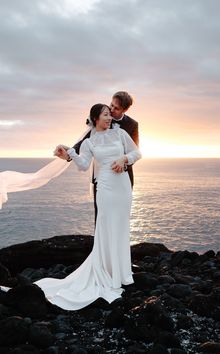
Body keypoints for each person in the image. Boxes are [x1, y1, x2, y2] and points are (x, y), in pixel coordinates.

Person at [31, 103, 141, 310]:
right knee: (106, 226)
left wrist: (124, 158)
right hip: (106, 187)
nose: (110, 118)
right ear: (95, 118)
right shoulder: (89, 142)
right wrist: (70, 152)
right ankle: (107, 272)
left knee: (121, 226)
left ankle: (122, 273)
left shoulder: (120, 134)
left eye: (110, 115)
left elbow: (137, 153)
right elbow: (83, 165)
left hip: (123, 186)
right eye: (106, 115)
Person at [55, 91, 139, 223]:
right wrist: (69, 154)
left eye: (116, 108)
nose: (111, 110)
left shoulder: (132, 125)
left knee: (121, 215)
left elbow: (134, 150)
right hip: (102, 177)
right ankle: (100, 243)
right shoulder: (102, 115)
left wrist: (124, 163)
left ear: (125, 109)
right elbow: (86, 141)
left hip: (123, 177)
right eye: (111, 105)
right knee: (101, 215)